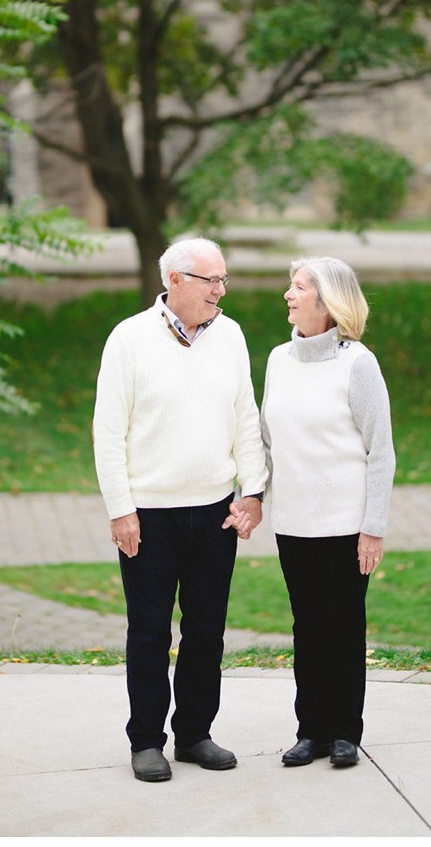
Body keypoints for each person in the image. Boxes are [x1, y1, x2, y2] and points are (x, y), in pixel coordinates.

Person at [92, 236, 268, 783]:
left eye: (223, 280)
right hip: (149, 515)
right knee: (149, 632)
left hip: (215, 510)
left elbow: (246, 415)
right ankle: (146, 740)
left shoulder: (231, 335)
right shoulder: (129, 339)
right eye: (208, 280)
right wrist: (121, 510)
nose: (220, 290)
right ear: (173, 281)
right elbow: (107, 431)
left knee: (207, 631)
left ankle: (194, 733)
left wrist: (253, 492)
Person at [261, 256, 394, 770]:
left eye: (297, 287)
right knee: (306, 627)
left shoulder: (357, 363)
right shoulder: (277, 359)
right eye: (290, 285)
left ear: (327, 300)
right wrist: (252, 494)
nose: (288, 295)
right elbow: (268, 440)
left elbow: (380, 452)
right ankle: (310, 730)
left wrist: (373, 527)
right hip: (292, 524)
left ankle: (344, 732)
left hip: (345, 526)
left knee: (342, 627)